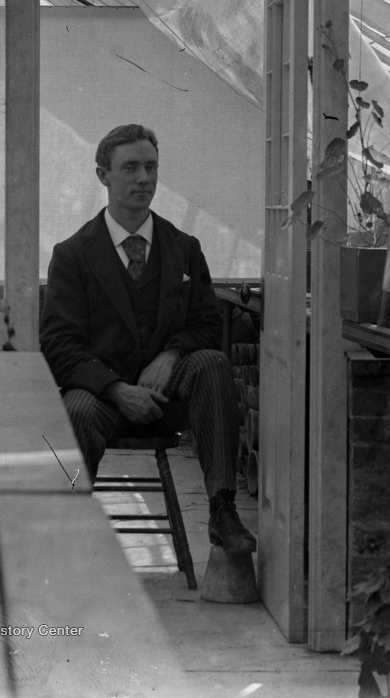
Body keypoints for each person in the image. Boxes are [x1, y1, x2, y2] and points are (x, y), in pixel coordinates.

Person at [40, 123, 256, 554]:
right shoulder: (73, 255)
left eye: (151, 167)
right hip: (101, 399)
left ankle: (222, 509)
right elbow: (59, 345)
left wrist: (173, 354)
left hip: (167, 398)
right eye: (131, 167)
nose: (144, 178)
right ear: (103, 175)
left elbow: (209, 325)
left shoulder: (184, 248)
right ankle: (62, 535)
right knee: (73, 411)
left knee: (212, 363)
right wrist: (117, 390)